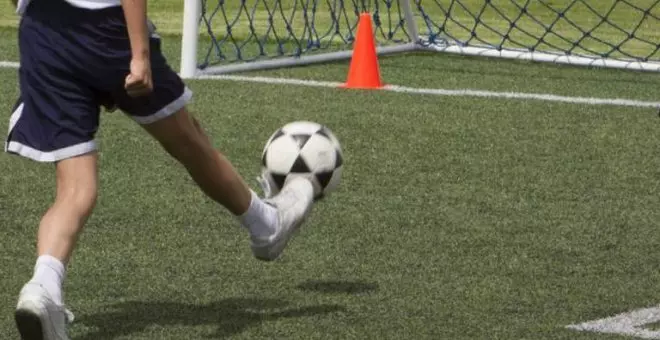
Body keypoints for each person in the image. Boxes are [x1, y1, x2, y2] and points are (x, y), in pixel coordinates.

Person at [7, 0, 316, 339]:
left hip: (43, 31)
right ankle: (265, 226)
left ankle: (42, 289)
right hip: (108, 32)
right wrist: (139, 55)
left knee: (75, 189)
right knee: (190, 141)